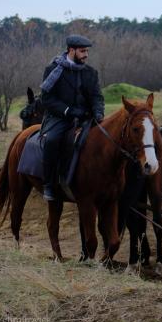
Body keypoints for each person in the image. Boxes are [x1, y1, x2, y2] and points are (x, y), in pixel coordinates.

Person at [39, 34, 104, 201]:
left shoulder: (91, 73)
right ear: (71, 50)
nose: (86, 55)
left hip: (87, 118)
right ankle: (49, 184)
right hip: (60, 118)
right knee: (52, 140)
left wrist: (98, 112)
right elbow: (46, 99)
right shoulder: (53, 70)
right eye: (82, 51)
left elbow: (97, 97)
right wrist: (68, 111)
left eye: (87, 51)